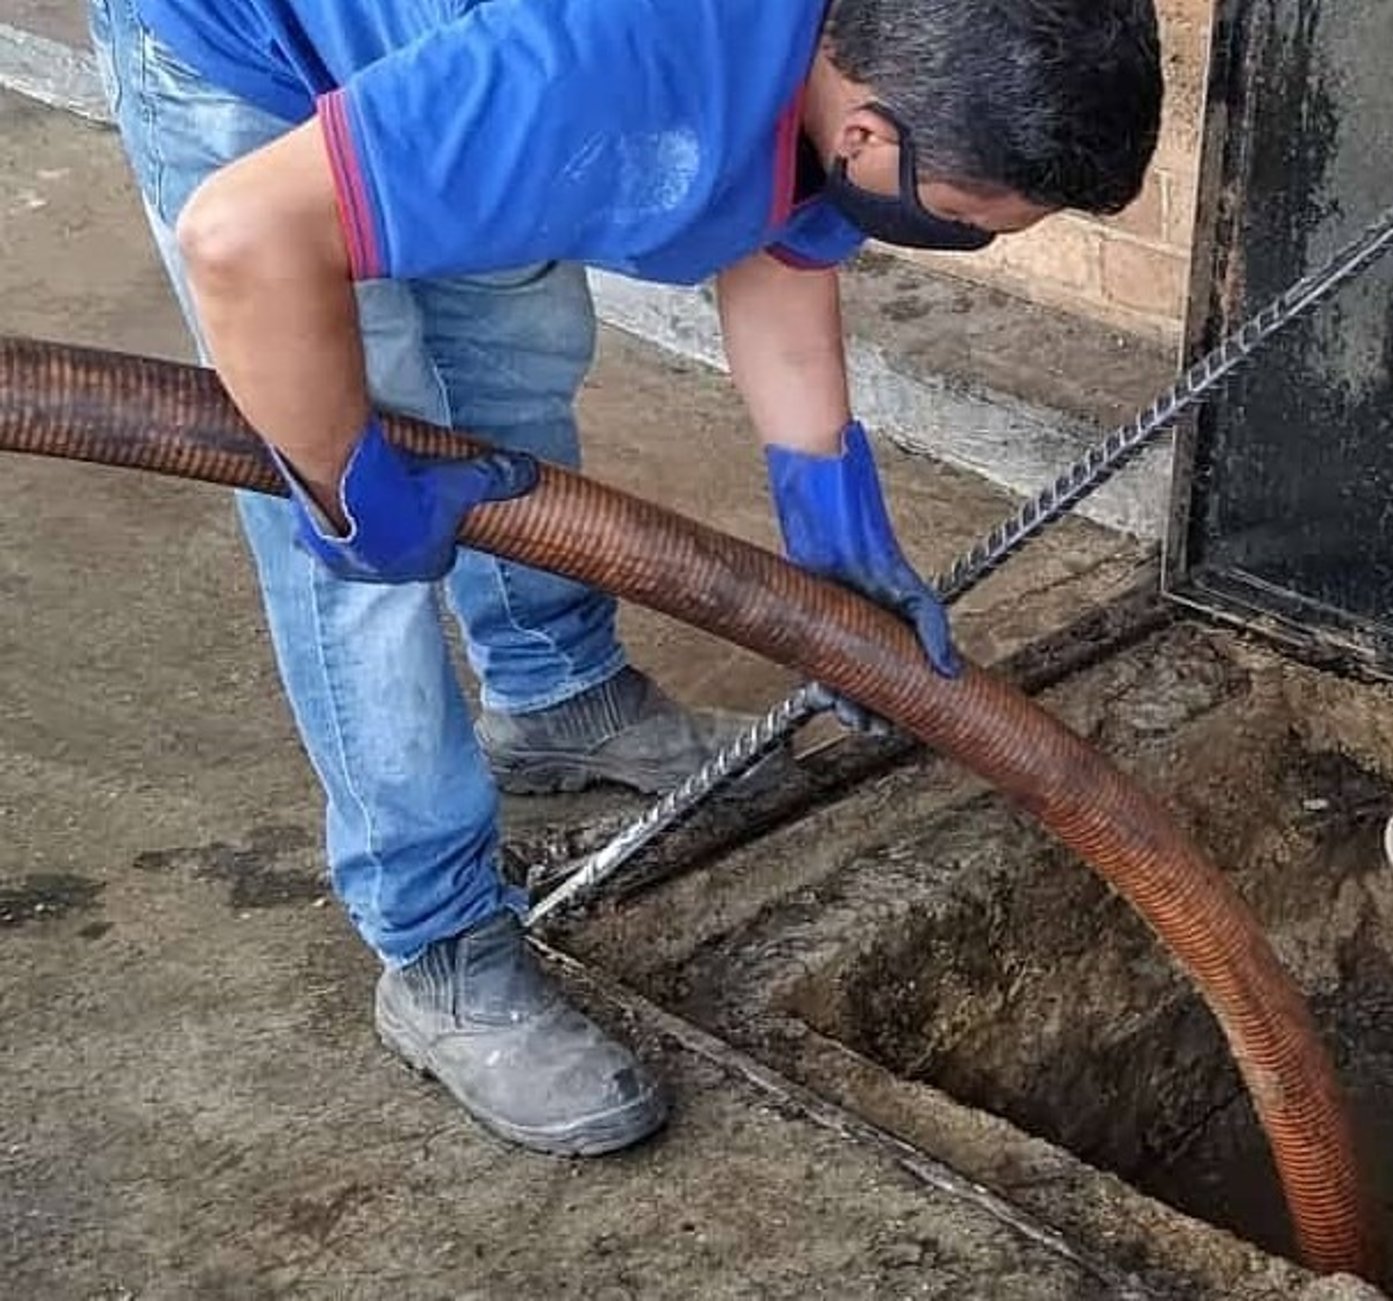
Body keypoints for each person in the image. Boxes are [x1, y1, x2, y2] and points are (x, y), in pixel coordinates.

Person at [86, 0, 1163, 1157]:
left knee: (516, 359)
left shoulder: (864, 42)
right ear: (864, 132)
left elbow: (784, 222)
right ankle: (438, 946)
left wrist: (832, 514)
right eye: (956, 220)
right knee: (354, 543)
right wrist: (351, 491)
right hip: (246, 53)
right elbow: (240, 236)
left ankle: (556, 690)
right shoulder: (611, 67)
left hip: (476, 48)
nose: (962, 243)